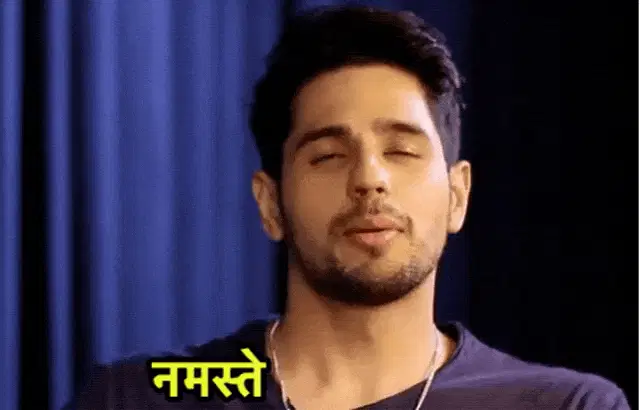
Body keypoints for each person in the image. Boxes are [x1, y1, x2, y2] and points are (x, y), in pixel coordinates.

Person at [70, 6, 630, 410]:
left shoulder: (562, 404)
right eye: (329, 156)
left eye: (401, 151)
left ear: (457, 195)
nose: (369, 179)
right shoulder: (145, 397)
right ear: (270, 203)